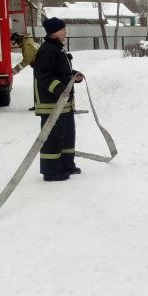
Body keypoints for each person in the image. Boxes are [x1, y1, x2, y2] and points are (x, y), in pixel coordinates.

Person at [33, 17, 83, 182]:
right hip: (52, 105)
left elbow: (60, 71)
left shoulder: (57, 49)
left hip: (63, 105)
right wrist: (60, 88)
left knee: (67, 136)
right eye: (63, 29)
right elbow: (43, 76)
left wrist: (73, 75)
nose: (65, 32)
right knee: (53, 138)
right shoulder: (48, 50)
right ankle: (52, 171)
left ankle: (66, 165)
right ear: (54, 32)